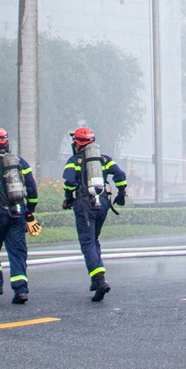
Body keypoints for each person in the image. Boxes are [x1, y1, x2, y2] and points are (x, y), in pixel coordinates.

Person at [60, 126, 127, 302]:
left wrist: (68, 198)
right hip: (103, 204)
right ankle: (95, 281)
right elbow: (120, 174)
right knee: (94, 239)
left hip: (85, 205)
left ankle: (99, 279)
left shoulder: (74, 160)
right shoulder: (104, 159)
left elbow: (69, 182)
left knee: (88, 242)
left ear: (77, 144)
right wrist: (121, 193)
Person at [0, 127, 38, 303]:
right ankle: (21, 291)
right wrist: (30, 208)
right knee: (17, 251)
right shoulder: (21, 162)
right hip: (18, 212)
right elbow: (32, 187)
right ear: (6, 142)